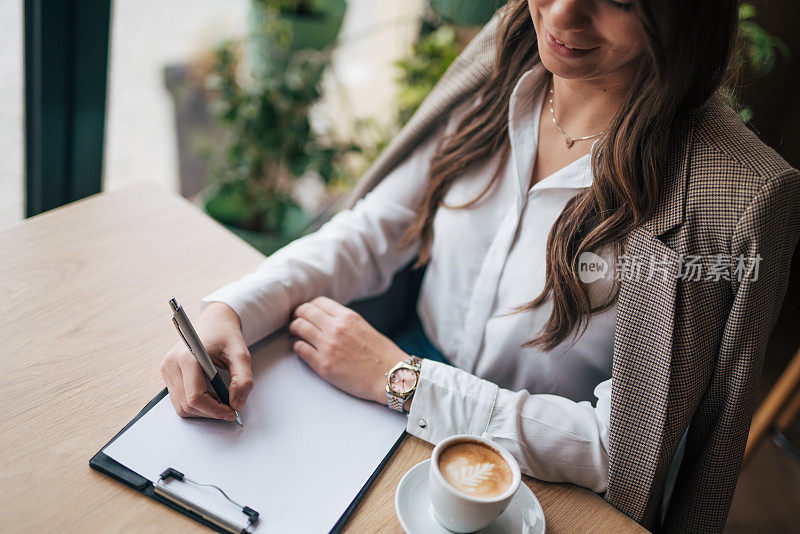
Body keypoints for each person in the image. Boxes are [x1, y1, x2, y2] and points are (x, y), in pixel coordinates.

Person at [160, 1, 800, 532]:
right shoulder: (509, 51)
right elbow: (377, 231)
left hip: (537, 481)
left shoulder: (726, 198)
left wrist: (405, 380)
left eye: (618, 1)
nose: (563, 15)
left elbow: (621, 449)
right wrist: (231, 308)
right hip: (385, 398)